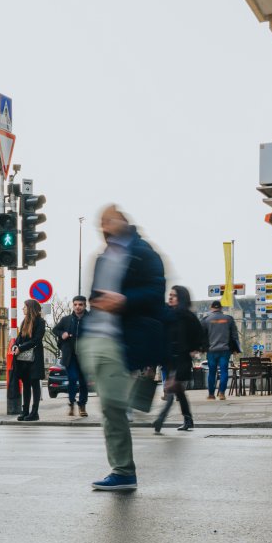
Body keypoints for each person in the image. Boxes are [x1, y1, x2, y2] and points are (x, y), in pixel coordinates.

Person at [78, 204, 166, 492]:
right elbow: (94, 295)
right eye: (101, 222)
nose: (104, 225)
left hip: (122, 336)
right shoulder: (102, 258)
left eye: (109, 219)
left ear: (123, 221)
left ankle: (124, 471)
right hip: (99, 335)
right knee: (111, 404)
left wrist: (124, 300)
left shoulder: (143, 253)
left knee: (112, 406)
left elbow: (156, 291)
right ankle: (134, 395)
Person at [153, 285, 207, 433]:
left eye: (174, 295)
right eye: (169, 295)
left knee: (171, 387)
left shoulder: (188, 316)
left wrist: (195, 349)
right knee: (177, 390)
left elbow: (200, 335)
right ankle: (188, 419)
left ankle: (160, 419)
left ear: (181, 298)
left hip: (182, 359)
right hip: (169, 359)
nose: (170, 297)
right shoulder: (167, 314)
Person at [55, 296, 91, 417]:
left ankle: (82, 405)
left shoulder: (91, 319)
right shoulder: (67, 319)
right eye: (75, 304)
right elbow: (55, 330)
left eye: (80, 304)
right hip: (70, 356)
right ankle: (71, 403)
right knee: (72, 379)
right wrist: (62, 334)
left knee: (83, 382)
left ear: (85, 305)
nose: (77, 307)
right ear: (73, 305)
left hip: (85, 356)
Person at [11, 298, 46, 422]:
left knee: (34, 384)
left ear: (30, 308)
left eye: (25, 307)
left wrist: (21, 347)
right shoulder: (24, 321)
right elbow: (19, 337)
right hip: (23, 359)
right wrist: (15, 346)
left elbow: (36, 340)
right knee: (26, 384)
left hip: (35, 358)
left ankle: (34, 412)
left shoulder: (41, 322)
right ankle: (25, 411)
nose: (23, 309)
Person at [202, 300, 240, 400]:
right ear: (221, 308)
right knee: (224, 371)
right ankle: (222, 393)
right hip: (225, 350)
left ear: (211, 307)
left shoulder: (206, 320)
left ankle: (211, 394)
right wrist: (236, 349)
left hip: (211, 350)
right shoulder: (229, 319)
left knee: (212, 372)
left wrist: (202, 348)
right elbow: (234, 335)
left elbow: (202, 335)